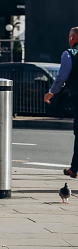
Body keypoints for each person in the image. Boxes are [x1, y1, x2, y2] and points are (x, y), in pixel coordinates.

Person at [44, 27, 78, 179]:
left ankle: (75, 169)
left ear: (72, 38)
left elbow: (61, 77)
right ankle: (74, 168)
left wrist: (52, 91)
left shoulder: (69, 54)